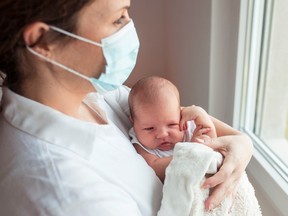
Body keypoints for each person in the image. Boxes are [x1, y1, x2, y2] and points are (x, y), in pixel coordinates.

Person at [0, 0, 253, 215]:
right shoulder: (67, 195)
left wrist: (242, 144)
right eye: (118, 19)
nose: (131, 29)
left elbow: (184, 120)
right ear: (43, 41)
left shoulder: (97, 94)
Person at [128, 76, 219, 182]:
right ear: (133, 123)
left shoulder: (190, 124)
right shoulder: (140, 144)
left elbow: (214, 147)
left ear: (180, 114)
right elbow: (155, 168)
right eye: (150, 128)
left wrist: (201, 115)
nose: (162, 134)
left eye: (172, 124)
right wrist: (192, 150)